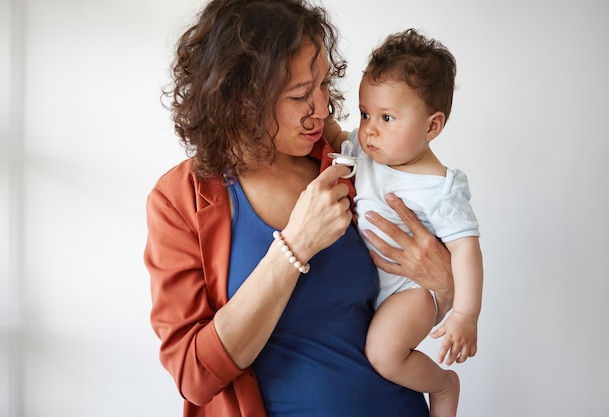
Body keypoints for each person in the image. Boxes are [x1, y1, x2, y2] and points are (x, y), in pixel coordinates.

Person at [144, 2, 454, 416]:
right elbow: (194, 376)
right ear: (239, 98)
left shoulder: (349, 165)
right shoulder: (180, 200)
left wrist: (446, 287)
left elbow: (417, 297)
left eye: (324, 84)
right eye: (299, 95)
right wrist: (294, 246)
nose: (322, 109)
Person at [325, 29, 483, 417]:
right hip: (376, 288)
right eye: (365, 114)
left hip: (411, 291)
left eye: (387, 117)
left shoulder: (439, 188)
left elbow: (466, 250)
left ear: (432, 127)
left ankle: (443, 385)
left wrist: (465, 313)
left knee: (384, 353)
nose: (370, 128)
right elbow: (327, 133)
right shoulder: (368, 149)